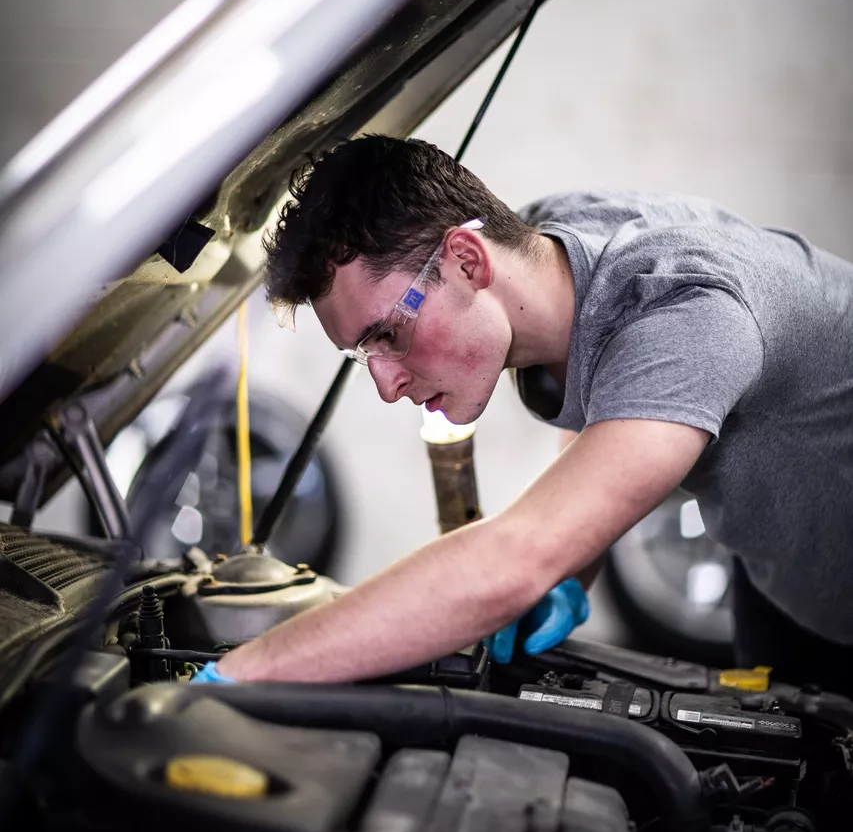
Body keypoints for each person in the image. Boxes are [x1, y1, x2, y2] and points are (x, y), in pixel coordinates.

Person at [199, 135, 853, 694]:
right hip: (786, 577)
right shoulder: (551, 247)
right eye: (360, 355)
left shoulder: (685, 313)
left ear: (466, 260)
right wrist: (567, 569)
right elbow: (606, 392)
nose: (387, 386)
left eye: (387, 336)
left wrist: (240, 675)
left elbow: (511, 558)